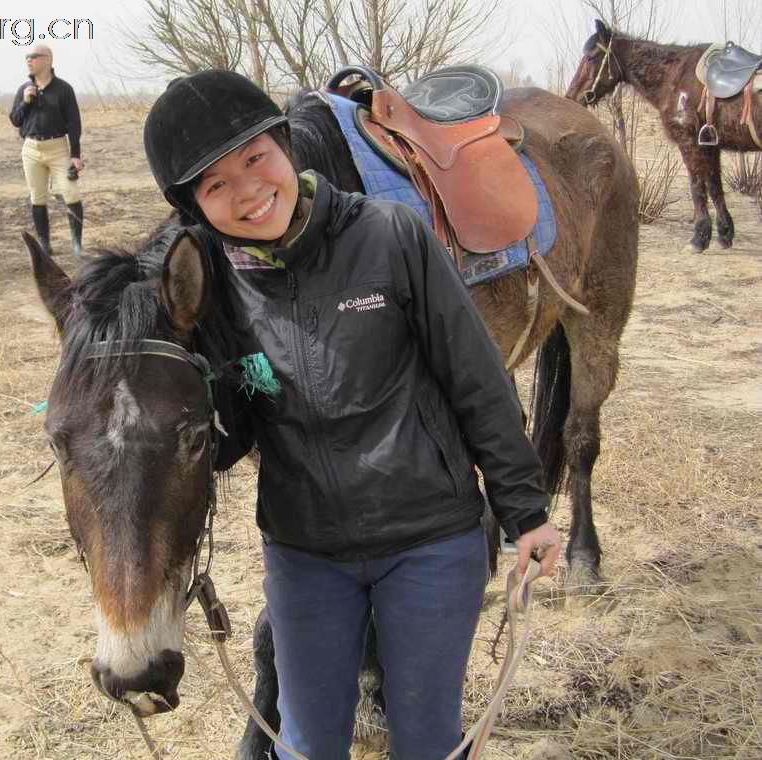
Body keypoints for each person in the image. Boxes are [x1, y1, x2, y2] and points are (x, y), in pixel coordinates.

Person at [143, 70, 563, 760]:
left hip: (429, 540)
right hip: (306, 555)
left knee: (425, 743)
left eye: (256, 158)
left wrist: (524, 511)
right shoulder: (215, 288)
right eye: (216, 184)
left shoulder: (389, 234)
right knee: (307, 747)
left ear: (286, 147)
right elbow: (230, 437)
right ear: (193, 206)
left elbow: (476, 380)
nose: (248, 191)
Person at [9, 44, 84, 257]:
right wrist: (25, 102)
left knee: (71, 193)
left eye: (33, 56)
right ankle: (44, 244)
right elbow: (15, 120)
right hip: (31, 149)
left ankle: (77, 244)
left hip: (58, 147)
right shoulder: (24, 89)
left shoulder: (64, 89)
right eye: (27, 57)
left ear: (48, 60)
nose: (29, 60)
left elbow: (74, 124)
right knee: (37, 196)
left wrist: (76, 155)